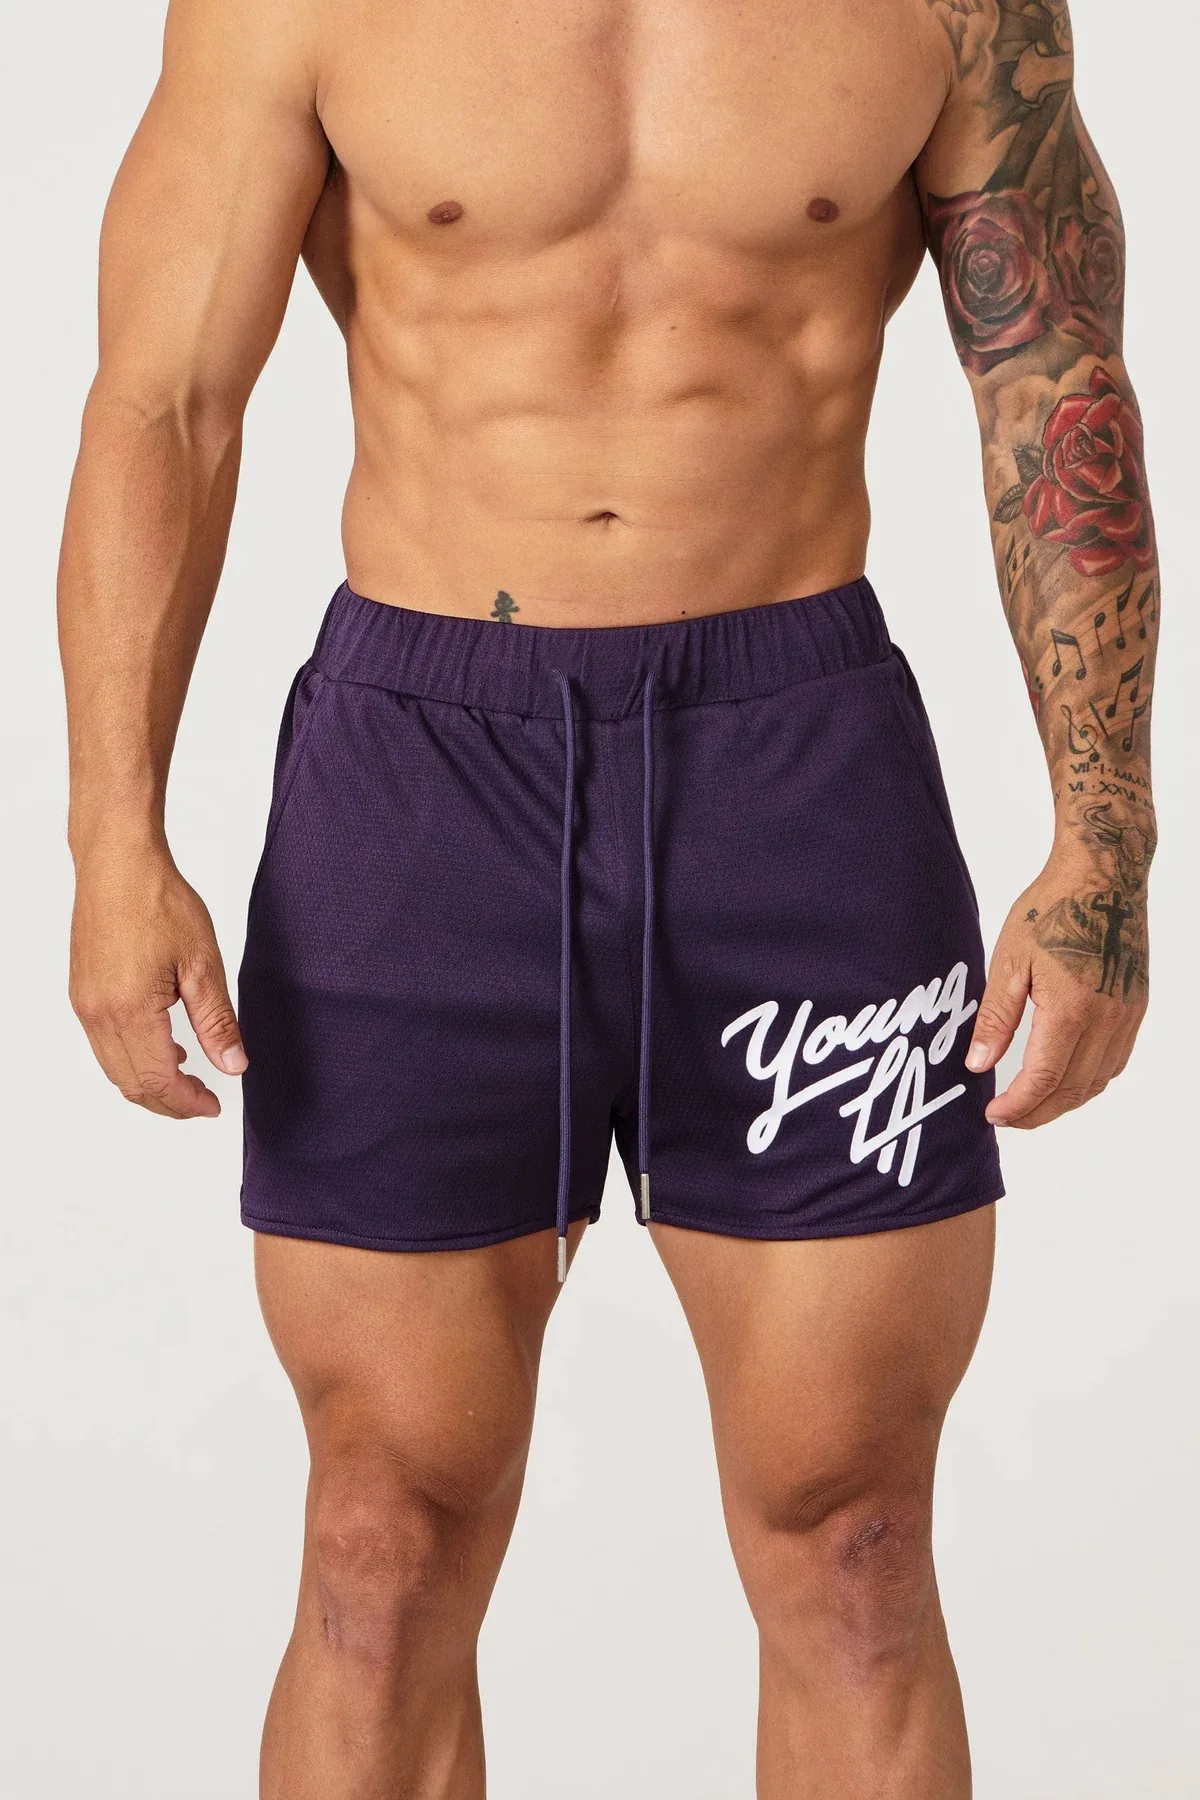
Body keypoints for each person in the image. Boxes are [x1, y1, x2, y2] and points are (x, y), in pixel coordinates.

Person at [58, 0, 1158, 1793]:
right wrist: (114, 834)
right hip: (420, 776)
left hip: (797, 771)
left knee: (858, 1544)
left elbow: (1055, 380)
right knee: (380, 1542)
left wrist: (1105, 836)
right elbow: (166, 399)